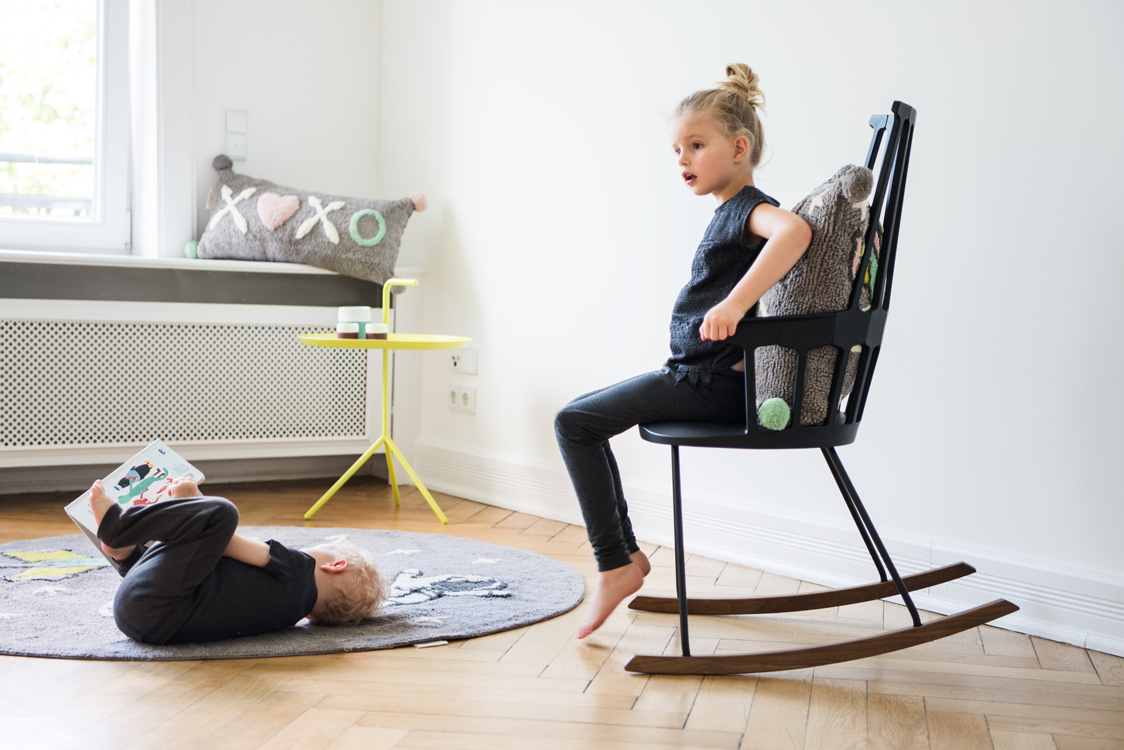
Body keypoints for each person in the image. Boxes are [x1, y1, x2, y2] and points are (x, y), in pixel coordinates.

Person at [555, 64, 813, 639]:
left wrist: (736, 305)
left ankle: (616, 563)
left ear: (739, 147)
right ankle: (622, 558)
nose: (683, 160)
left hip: (714, 385)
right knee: (579, 418)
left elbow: (795, 232)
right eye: (678, 149)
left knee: (573, 422)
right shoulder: (728, 210)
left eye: (697, 145)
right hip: (695, 374)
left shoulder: (749, 208)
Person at [90, 476, 386, 645]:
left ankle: (119, 527)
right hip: (150, 627)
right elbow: (207, 553)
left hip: (154, 601)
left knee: (223, 513)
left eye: (325, 546)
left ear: (334, 565)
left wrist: (187, 503)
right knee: (196, 567)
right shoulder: (286, 616)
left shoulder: (300, 567)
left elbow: (227, 542)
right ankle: (128, 556)